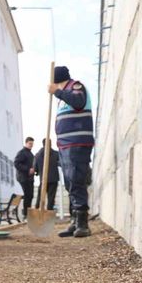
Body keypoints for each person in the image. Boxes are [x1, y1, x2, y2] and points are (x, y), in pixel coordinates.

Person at [49, 66, 94, 238]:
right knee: (69, 183)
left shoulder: (75, 87)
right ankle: (75, 220)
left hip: (77, 143)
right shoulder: (63, 95)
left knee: (76, 180)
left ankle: (83, 223)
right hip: (65, 145)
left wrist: (57, 92)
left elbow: (79, 102)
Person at [34, 138, 60, 211]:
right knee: (51, 198)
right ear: (51, 144)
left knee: (40, 196)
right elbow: (61, 163)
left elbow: (35, 168)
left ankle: (37, 211)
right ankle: (49, 212)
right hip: (53, 179)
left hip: (43, 179)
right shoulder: (56, 154)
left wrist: (37, 172)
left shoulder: (37, 155)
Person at [14, 137, 35, 217]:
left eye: (32, 144)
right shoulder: (22, 152)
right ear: (26, 143)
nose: (31, 145)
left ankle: (28, 213)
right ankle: (26, 214)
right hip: (23, 178)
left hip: (30, 178)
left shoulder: (31, 154)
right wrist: (27, 169)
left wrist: (34, 171)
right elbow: (16, 163)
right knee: (27, 195)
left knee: (31, 195)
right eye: (30, 144)